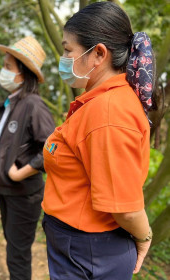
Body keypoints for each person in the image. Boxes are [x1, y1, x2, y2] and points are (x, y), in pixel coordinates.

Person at [41, 2, 155, 280]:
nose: (63, 56)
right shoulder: (98, 103)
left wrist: (144, 236)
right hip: (80, 246)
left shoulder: (109, 113)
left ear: (98, 54)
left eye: (68, 50)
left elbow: (125, 207)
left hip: (89, 250)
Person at [0, 36, 55, 280]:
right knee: (13, 246)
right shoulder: (10, 103)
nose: (2, 72)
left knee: (17, 253)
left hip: (23, 193)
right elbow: (12, 143)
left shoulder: (33, 105)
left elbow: (52, 147)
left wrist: (20, 172)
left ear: (23, 74)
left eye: (7, 67)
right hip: (6, 190)